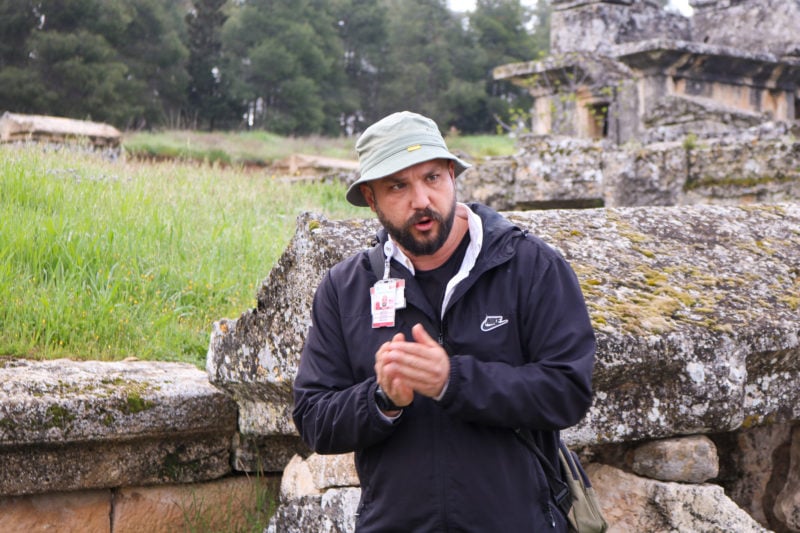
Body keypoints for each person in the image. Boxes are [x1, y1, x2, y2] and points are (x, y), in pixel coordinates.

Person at [292, 111, 596, 532]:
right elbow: (314, 418)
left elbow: (568, 392)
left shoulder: (532, 266)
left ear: (452, 175)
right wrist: (380, 400)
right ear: (371, 198)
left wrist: (454, 381)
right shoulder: (345, 287)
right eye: (398, 185)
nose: (421, 199)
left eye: (432, 177)